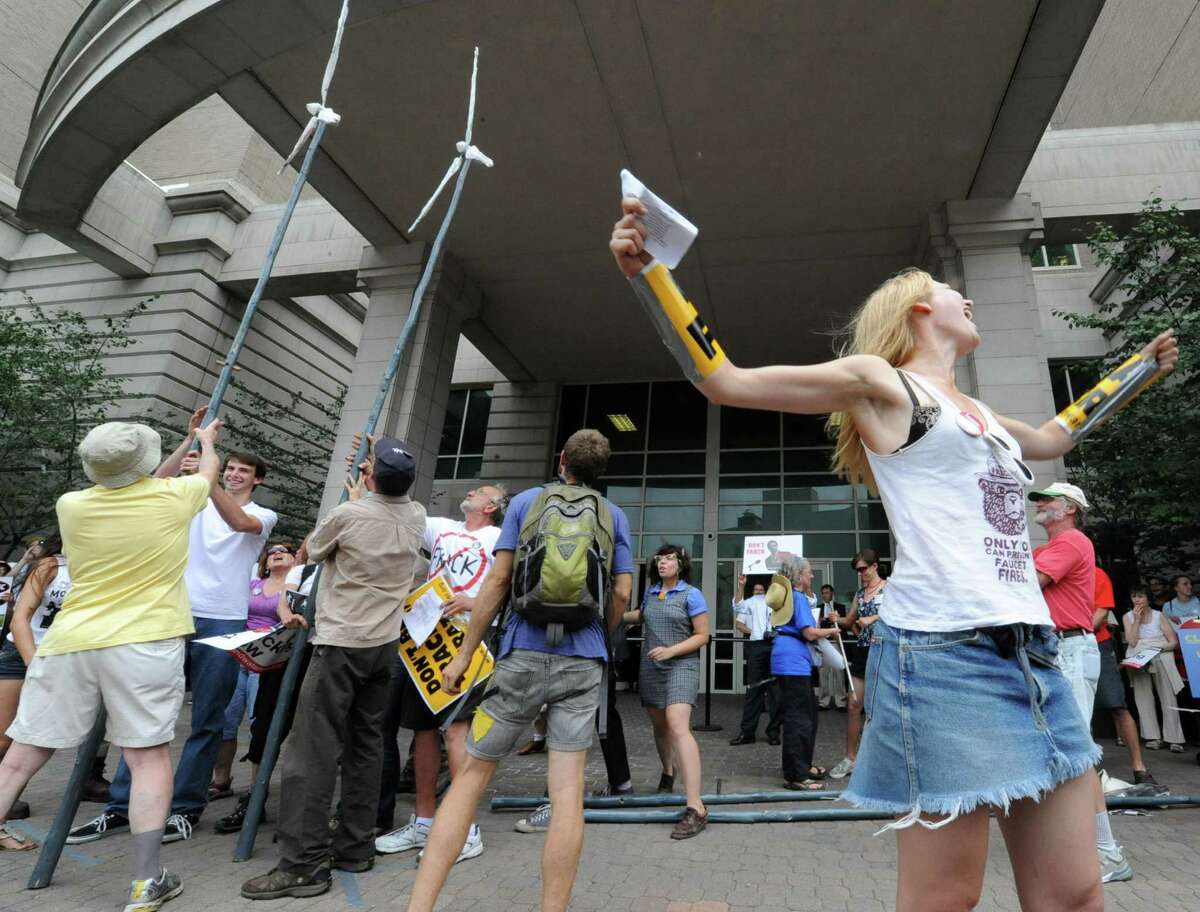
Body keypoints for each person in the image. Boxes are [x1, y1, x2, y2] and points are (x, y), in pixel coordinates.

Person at [611, 202, 1179, 910]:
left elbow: (1054, 436)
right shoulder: (883, 383)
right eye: (952, 291)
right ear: (918, 309)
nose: (967, 299)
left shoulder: (982, 414)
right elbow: (725, 380)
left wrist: (1138, 370)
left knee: (1075, 892)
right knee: (946, 898)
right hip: (946, 659)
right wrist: (652, 276)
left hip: (1034, 656)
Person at [405, 429, 633, 912]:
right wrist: (601, 634)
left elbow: (498, 581)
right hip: (582, 662)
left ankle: (419, 906)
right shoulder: (613, 515)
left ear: (562, 459)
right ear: (600, 472)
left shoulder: (527, 502)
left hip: (521, 657)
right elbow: (621, 593)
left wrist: (463, 657)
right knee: (567, 795)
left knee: (470, 779)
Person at [0, 418, 220, 912]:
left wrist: (184, 442)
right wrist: (204, 442)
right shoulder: (175, 497)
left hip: (70, 642)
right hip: (145, 641)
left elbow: (139, 481)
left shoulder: (72, 504)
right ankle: (145, 883)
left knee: (19, 757)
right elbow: (205, 473)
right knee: (147, 759)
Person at [71, 421, 277, 845]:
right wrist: (189, 443)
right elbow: (149, 484)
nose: (234, 475)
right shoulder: (191, 496)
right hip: (172, 614)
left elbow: (239, 522)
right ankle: (121, 806)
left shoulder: (262, 514)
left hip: (223, 621)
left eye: (243, 471)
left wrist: (207, 472)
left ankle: (184, 808)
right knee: (144, 715)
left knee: (207, 719)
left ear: (257, 480)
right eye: (230, 468)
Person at [240, 437, 425, 900]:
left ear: (370, 476)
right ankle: (354, 847)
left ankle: (303, 864)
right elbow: (386, 507)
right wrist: (371, 486)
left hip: (340, 644)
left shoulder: (349, 514)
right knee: (365, 748)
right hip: (383, 647)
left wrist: (356, 498)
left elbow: (313, 550)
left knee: (311, 752)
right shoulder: (416, 515)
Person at [375, 482, 508, 857]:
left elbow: (508, 586)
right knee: (423, 731)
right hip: (428, 638)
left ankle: (465, 829)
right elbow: (401, 509)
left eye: (480, 492)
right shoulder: (442, 528)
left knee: (457, 733)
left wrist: (474, 601)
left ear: (492, 507)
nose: (471, 491)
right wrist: (374, 483)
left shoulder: (499, 538)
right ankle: (424, 822)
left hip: (470, 641)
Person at [1029, 482, 1132, 883]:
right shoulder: (1054, 547)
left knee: (1075, 752)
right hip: (1058, 650)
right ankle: (1080, 847)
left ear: (1070, 508)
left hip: (1069, 650)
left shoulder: (1071, 542)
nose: (1039, 503)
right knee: (1061, 751)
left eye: (1047, 498)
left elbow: (1024, 583)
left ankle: (1108, 853)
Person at [625, 543, 710, 837]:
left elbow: (703, 635)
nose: (663, 562)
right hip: (652, 667)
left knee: (677, 726)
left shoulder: (691, 594)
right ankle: (667, 772)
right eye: (660, 558)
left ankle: (696, 806)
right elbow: (640, 615)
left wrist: (671, 651)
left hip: (681, 666)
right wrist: (609, 614)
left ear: (681, 565)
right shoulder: (651, 593)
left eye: (670, 559)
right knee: (660, 726)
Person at [210, 543, 297, 805]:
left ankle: (254, 790)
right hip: (239, 658)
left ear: (295, 559)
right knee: (226, 721)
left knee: (259, 726)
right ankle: (220, 780)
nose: (277, 552)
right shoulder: (251, 585)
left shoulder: (296, 588)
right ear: (265, 561)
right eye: (271, 551)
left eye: (285, 550)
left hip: (267, 664)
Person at [0, 531, 70, 820]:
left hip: (62, 658)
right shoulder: (50, 565)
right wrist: (33, 663)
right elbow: (20, 618)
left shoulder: (101, 568)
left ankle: (8, 803)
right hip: (22, 653)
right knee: (3, 737)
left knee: (29, 738)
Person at [770, 558, 842, 790]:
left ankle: (803, 765)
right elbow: (809, 633)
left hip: (789, 661)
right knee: (799, 719)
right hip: (793, 664)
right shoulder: (798, 597)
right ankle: (796, 776)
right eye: (809, 573)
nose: (812, 576)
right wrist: (832, 630)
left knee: (807, 715)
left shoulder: (790, 597)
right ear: (799, 575)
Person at [1092, 566, 1153, 784]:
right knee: (1079, 712)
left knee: (1117, 705)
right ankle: (1089, 775)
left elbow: (1101, 614)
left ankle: (1139, 768)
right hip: (1062, 645)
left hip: (1097, 644)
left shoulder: (1096, 574)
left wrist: (1076, 633)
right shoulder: (1054, 572)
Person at [830, 549, 886, 781]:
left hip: (884, 650)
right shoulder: (860, 594)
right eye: (857, 570)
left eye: (863, 569)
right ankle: (850, 758)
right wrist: (837, 620)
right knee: (854, 703)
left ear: (874, 566)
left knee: (882, 706)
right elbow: (850, 620)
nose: (860, 573)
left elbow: (901, 614)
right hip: (863, 650)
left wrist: (874, 618)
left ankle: (882, 759)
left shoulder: (889, 588)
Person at [1123, 586, 1185, 752]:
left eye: (1141, 596)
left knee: (1168, 696)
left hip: (1160, 654)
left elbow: (1173, 641)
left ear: (1148, 598)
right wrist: (1136, 620)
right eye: (1134, 596)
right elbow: (1131, 641)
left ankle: (1174, 739)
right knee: (1143, 697)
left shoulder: (1159, 615)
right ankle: (1152, 737)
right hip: (1138, 657)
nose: (1137, 600)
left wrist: (1158, 648)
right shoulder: (1127, 616)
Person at [730, 577, 781, 745]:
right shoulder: (750, 602)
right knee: (754, 690)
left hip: (775, 645)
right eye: (756, 589)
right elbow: (737, 606)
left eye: (762, 589)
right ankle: (747, 733)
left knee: (776, 691)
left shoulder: (777, 601)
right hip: (757, 645)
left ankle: (774, 733)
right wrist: (741, 586)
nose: (759, 592)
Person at [816, 584, 849, 710]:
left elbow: (845, 624)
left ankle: (841, 701)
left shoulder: (840, 607)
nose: (825, 595)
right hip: (823, 641)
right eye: (823, 593)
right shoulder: (818, 608)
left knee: (839, 671)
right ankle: (823, 702)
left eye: (827, 592)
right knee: (823, 672)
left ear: (832, 594)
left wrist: (835, 620)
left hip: (836, 641)